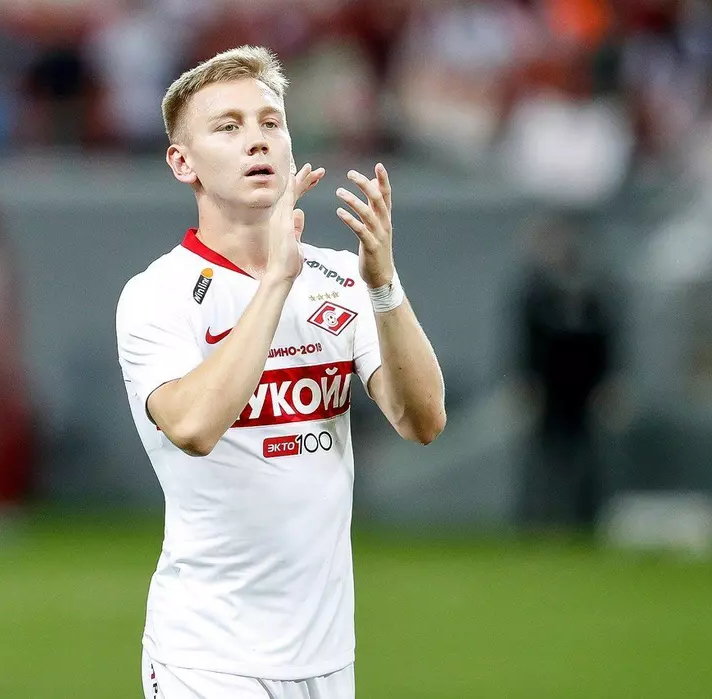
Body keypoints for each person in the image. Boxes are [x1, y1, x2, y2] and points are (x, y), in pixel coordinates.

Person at [115, 46, 446, 699]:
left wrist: (383, 284)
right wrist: (274, 283)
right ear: (183, 163)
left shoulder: (342, 278)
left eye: (271, 122)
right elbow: (193, 426)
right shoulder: (157, 294)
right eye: (228, 126)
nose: (257, 139)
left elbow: (423, 419)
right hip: (206, 655)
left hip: (326, 657)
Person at [515, 214, 616, 529]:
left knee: (586, 453)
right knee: (545, 454)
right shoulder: (536, 293)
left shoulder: (593, 291)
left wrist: (609, 382)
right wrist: (525, 381)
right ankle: (539, 517)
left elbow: (607, 339)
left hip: (584, 386)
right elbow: (526, 341)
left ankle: (585, 517)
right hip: (549, 386)